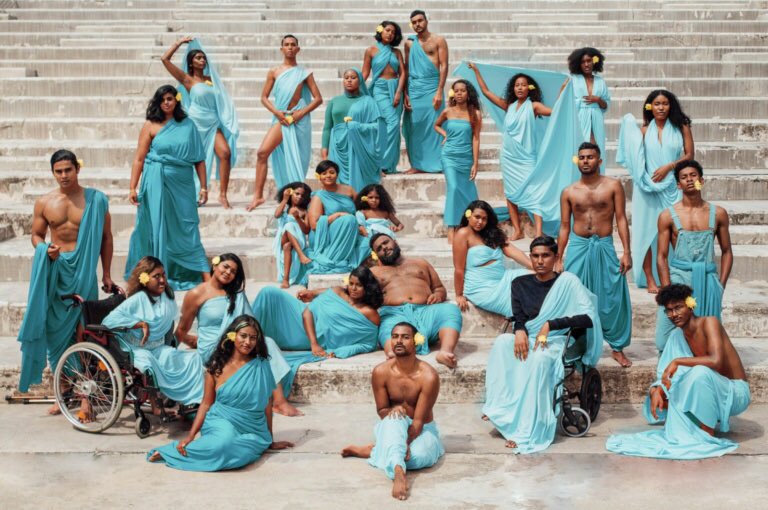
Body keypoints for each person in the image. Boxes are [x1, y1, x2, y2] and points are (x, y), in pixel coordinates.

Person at [483, 236, 603, 454]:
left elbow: (587, 318)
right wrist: (519, 330)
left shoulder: (567, 282)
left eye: (545, 255)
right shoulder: (519, 284)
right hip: (528, 336)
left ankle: (528, 429)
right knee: (502, 342)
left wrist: (550, 324)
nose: (540, 261)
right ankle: (500, 409)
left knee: (539, 358)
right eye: (535, 256)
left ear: (556, 257)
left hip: (557, 339)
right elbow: (518, 316)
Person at [17, 150, 113, 416]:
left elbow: (106, 237)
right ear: (53, 173)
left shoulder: (96, 200)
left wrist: (105, 273)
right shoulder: (45, 202)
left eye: (68, 170)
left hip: (84, 273)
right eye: (58, 171)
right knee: (56, 334)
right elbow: (35, 235)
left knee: (84, 331)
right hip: (56, 271)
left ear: (77, 169)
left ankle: (86, 398)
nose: (63, 175)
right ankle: (62, 391)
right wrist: (44, 248)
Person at [606, 284, 749, 460]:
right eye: (669, 311)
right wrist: (656, 390)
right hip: (709, 391)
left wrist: (677, 361)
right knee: (664, 390)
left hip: (735, 393)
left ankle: (706, 434)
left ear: (690, 305)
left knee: (700, 373)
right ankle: (693, 430)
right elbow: (664, 377)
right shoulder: (676, 336)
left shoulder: (709, 323)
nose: (674, 315)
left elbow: (716, 360)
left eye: (678, 307)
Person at [148, 315, 294, 471]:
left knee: (246, 450)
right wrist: (190, 436)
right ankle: (170, 452)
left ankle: (230, 447)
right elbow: (205, 404)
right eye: (243, 336)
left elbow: (267, 402)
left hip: (253, 427)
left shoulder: (261, 365)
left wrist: (270, 440)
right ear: (232, 336)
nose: (248, 342)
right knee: (224, 444)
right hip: (221, 420)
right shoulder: (216, 367)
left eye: (253, 338)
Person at [174, 253, 302, 417]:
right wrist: (171, 351)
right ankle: (278, 401)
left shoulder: (236, 294)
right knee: (263, 345)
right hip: (213, 348)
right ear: (215, 265)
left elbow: (249, 323)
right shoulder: (196, 294)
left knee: (266, 342)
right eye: (225, 267)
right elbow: (182, 329)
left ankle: (278, 401)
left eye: (233, 271)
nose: (228, 272)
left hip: (237, 339)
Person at [341, 322, 444, 501]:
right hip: (393, 425)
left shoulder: (428, 376)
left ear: (415, 341)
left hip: (423, 431)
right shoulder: (380, 372)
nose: (398, 341)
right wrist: (393, 412)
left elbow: (418, 423)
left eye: (405, 337)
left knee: (418, 457)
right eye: (395, 336)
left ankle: (376, 450)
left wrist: (404, 443)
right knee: (394, 416)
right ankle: (398, 472)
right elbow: (382, 410)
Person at [125, 84, 210, 291]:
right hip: (156, 180)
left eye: (170, 99)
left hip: (183, 183)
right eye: (162, 99)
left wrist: (204, 188)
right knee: (157, 225)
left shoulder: (188, 125)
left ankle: (203, 274)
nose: (166, 103)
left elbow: (199, 159)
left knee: (187, 225)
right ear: (157, 102)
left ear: (176, 100)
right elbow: (139, 158)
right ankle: (157, 272)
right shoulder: (150, 125)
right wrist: (132, 187)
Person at [555, 142, 633, 367]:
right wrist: (559, 257)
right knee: (575, 294)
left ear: (599, 161)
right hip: (578, 246)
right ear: (577, 161)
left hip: (604, 245)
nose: (585, 160)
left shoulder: (613, 186)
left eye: (590, 157)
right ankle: (578, 344)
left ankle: (617, 347)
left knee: (612, 294)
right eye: (582, 157)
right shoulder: (569, 191)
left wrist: (626, 252)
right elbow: (563, 226)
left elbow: (620, 219)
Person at [251, 266, 382, 392]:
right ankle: (245, 332)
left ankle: (253, 337)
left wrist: (342, 350)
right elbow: (307, 312)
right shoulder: (338, 291)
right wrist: (314, 344)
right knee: (268, 293)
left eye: (358, 285)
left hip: (306, 335)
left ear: (367, 287)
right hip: (303, 318)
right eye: (351, 283)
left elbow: (368, 344)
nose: (353, 288)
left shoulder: (369, 313)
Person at [616, 89, 694, 292]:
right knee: (646, 234)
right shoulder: (643, 131)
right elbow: (634, 158)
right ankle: (650, 279)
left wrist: (670, 166)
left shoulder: (681, 127)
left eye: (665, 103)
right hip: (647, 188)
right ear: (650, 107)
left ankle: (678, 274)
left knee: (676, 230)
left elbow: (689, 154)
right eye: (657, 104)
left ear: (671, 106)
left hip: (671, 185)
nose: (661, 107)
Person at [464, 63, 553, 239]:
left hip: (526, 156)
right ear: (513, 88)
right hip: (509, 156)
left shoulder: (534, 106)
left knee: (534, 191)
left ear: (529, 88)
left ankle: (538, 231)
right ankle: (518, 230)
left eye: (523, 85)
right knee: (511, 193)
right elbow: (487, 93)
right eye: (517, 85)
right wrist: (476, 71)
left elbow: (555, 112)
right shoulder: (509, 106)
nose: (520, 88)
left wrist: (563, 92)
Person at [103, 257, 204, 409]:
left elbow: (170, 327)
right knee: (148, 363)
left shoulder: (167, 298)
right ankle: (157, 407)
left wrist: (172, 345)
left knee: (194, 359)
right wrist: (139, 324)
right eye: (156, 276)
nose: (162, 280)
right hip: (135, 348)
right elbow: (109, 321)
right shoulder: (138, 299)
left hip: (157, 347)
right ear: (144, 279)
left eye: (163, 275)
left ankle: (192, 401)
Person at [654, 160, 732, 351]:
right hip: (679, 279)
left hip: (708, 279)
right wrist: (667, 290)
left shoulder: (718, 213)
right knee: (664, 339)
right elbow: (661, 256)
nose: (689, 180)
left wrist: (720, 286)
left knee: (707, 336)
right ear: (678, 185)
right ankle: (667, 376)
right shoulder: (667, 216)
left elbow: (727, 251)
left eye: (693, 176)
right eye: (684, 177)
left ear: (701, 181)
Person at [247, 35, 323, 211]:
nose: (289, 47)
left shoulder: (305, 73)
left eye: (293, 45)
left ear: (298, 49)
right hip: (281, 118)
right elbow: (263, 97)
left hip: (299, 120)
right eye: (286, 45)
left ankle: (297, 198)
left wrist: (300, 114)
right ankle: (258, 196)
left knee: (296, 159)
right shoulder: (274, 71)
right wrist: (277, 113)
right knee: (262, 153)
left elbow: (318, 99)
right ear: (281, 49)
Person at [161, 37, 238, 208]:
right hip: (195, 123)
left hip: (212, 123)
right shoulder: (187, 79)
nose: (202, 60)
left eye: (204, 58)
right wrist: (179, 42)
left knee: (225, 153)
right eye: (198, 58)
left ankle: (223, 195)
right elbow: (164, 60)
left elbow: (223, 99)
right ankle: (193, 193)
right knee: (191, 159)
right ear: (191, 62)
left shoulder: (212, 79)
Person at [370, 233, 461, 368]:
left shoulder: (420, 263)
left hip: (426, 311)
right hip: (395, 314)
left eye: (386, 242)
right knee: (387, 327)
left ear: (395, 242)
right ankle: (392, 355)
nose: (384, 248)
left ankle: (445, 352)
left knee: (451, 310)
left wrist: (438, 295)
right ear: (376, 254)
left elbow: (439, 288)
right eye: (379, 248)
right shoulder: (374, 272)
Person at [452, 200, 531, 317]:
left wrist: (532, 265)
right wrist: (459, 294)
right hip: (482, 287)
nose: (480, 222)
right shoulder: (463, 234)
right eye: (477, 217)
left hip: (503, 277)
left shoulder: (491, 233)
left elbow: (513, 251)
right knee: (517, 303)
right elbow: (459, 269)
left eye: (484, 219)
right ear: (468, 216)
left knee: (537, 277)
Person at [321, 68, 386, 191]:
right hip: (337, 148)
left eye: (353, 78)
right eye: (346, 78)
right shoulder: (335, 101)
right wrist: (324, 152)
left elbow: (378, 128)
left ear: (360, 80)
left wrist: (356, 126)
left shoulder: (369, 102)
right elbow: (327, 127)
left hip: (359, 148)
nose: (349, 80)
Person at [434, 79, 481, 244]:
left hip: (466, 157)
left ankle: (469, 225)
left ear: (468, 93)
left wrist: (475, 163)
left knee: (467, 192)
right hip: (449, 156)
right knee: (453, 188)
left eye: (463, 90)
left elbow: (476, 138)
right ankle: (452, 227)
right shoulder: (448, 111)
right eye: (457, 91)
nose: (459, 93)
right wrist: (445, 135)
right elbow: (437, 125)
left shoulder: (475, 113)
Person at [402, 10, 448, 174]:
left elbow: (444, 66)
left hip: (432, 87)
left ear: (426, 21)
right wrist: (405, 93)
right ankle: (417, 165)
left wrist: (439, 91)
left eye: (420, 20)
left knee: (435, 125)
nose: (417, 24)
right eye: (414, 22)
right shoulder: (409, 43)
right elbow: (406, 69)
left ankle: (437, 163)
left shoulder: (438, 40)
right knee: (415, 126)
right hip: (414, 88)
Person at [362, 21, 406, 174]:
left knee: (394, 126)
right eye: (387, 30)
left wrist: (399, 92)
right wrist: (357, 90)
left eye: (393, 32)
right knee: (391, 123)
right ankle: (380, 163)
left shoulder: (397, 52)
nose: (390, 34)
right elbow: (365, 73)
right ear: (380, 31)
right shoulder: (370, 51)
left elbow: (403, 73)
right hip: (379, 89)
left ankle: (389, 165)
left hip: (395, 88)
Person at [306, 160, 360, 274]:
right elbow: (314, 225)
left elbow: (361, 209)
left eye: (331, 172)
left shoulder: (349, 190)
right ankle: (335, 259)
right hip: (326, 233)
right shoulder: (318, 197)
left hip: (351, 228)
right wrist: (338, 215)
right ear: (319, 177)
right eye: (324, 173)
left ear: (337, 174)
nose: (328, 176)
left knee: (367, 243)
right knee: (348, 219)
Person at [562, 48, 610, 172]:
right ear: (578, 63)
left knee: (596, 149)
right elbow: (562, 100)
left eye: (589, 61)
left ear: (594, 61)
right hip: (579, 117)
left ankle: (598, 182)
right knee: (580, 150)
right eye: (583, 62)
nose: (587, 64)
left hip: (596, 118)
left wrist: (598, 100)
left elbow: (606, 105)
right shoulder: (572, 79)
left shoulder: (600, 81)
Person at [273, 181, 312, 288]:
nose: (299, 197)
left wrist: (298, 218)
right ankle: (301, 256)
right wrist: (285, 199)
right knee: (288, 230)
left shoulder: (304, 211)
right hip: (283, 238)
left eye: (302, 195)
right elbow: (276, 215)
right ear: (291, 193)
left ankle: (285, 280)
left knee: (288, 243)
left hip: (299, 240)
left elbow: (306, 230)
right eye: (297, 194)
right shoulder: (285, 208)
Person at [354, 183, 403, 265]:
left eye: (377, 198)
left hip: (386, 237)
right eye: (370, 197)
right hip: (370, 237)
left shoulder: (386, 212)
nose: (374, 200)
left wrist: (397, 228)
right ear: (365, 198)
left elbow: (400, 224)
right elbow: (362, 228)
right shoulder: (362, 212)